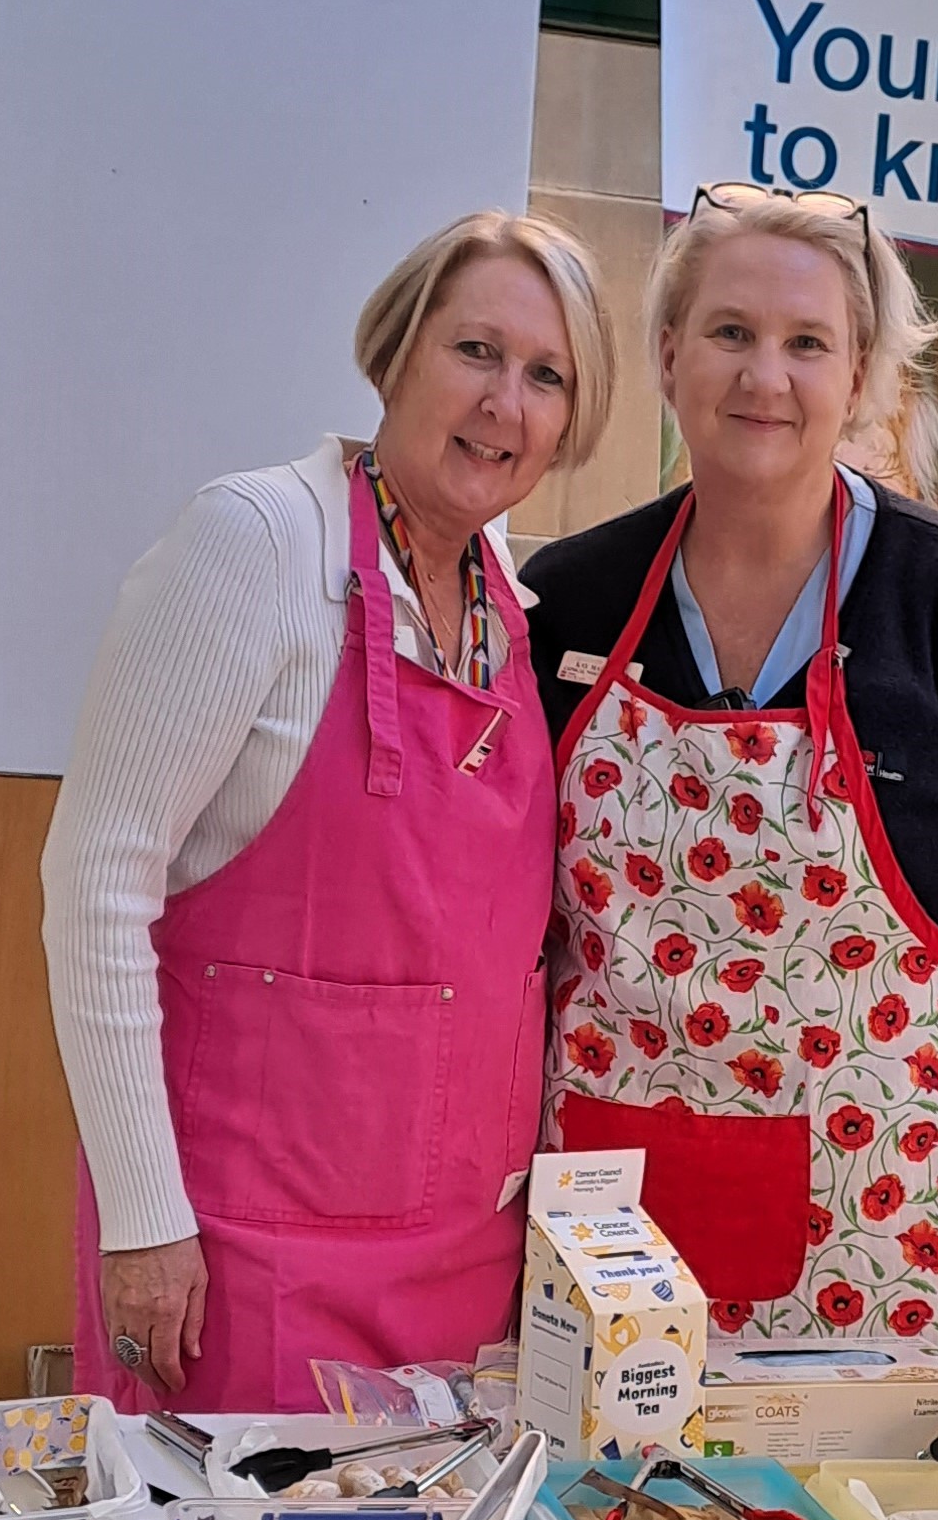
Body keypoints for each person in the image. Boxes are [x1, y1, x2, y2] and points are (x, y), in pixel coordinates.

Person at [522, 184, 938, 1387]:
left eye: (806, 343)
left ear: (863, 373)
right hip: (624, 1252)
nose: (763, 377)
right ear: (670, 354)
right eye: (729, 333)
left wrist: (930, 1031)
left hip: (908, 1255)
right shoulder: (568, 599)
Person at [44, 210, 615, 1411]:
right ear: (397, 353)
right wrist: (145, 1217)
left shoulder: (514, 611)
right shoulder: (253, 542)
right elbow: (96, 886)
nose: (505, 401)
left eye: (546, 375)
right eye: (475, 352)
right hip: (238, 1260)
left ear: (570, 425)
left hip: (461, 1266)